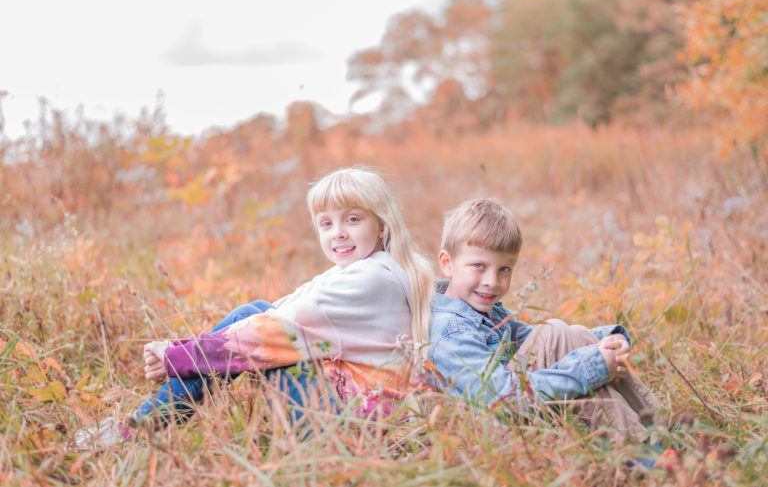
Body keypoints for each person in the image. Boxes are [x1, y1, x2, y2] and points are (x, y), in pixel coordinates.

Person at [75, 166, 433, 447]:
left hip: (351, 432)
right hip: (363, 417)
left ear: (382, 224)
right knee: (258, 311)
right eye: (326, 223)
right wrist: (185, 351)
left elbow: (265, 333)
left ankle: (138, 429)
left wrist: (175, 357)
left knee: (255, 325)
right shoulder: (378, 268)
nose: (337, 232)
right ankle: (141, 425)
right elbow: (285, 306)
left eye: (352, 219)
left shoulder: (369, 279)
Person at [427, 198, 665, 444]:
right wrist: (592, 366)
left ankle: (663, 432)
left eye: (504, 269)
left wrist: (606, 341)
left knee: (575, 339)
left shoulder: (483, 312)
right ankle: (642, 450)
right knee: (558, 336)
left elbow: (535, 340)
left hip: (513, 407)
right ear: (447, 263)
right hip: (483, 431)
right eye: (479, 266)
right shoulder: (449, 330)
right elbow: (500, 398)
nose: (492, 281)